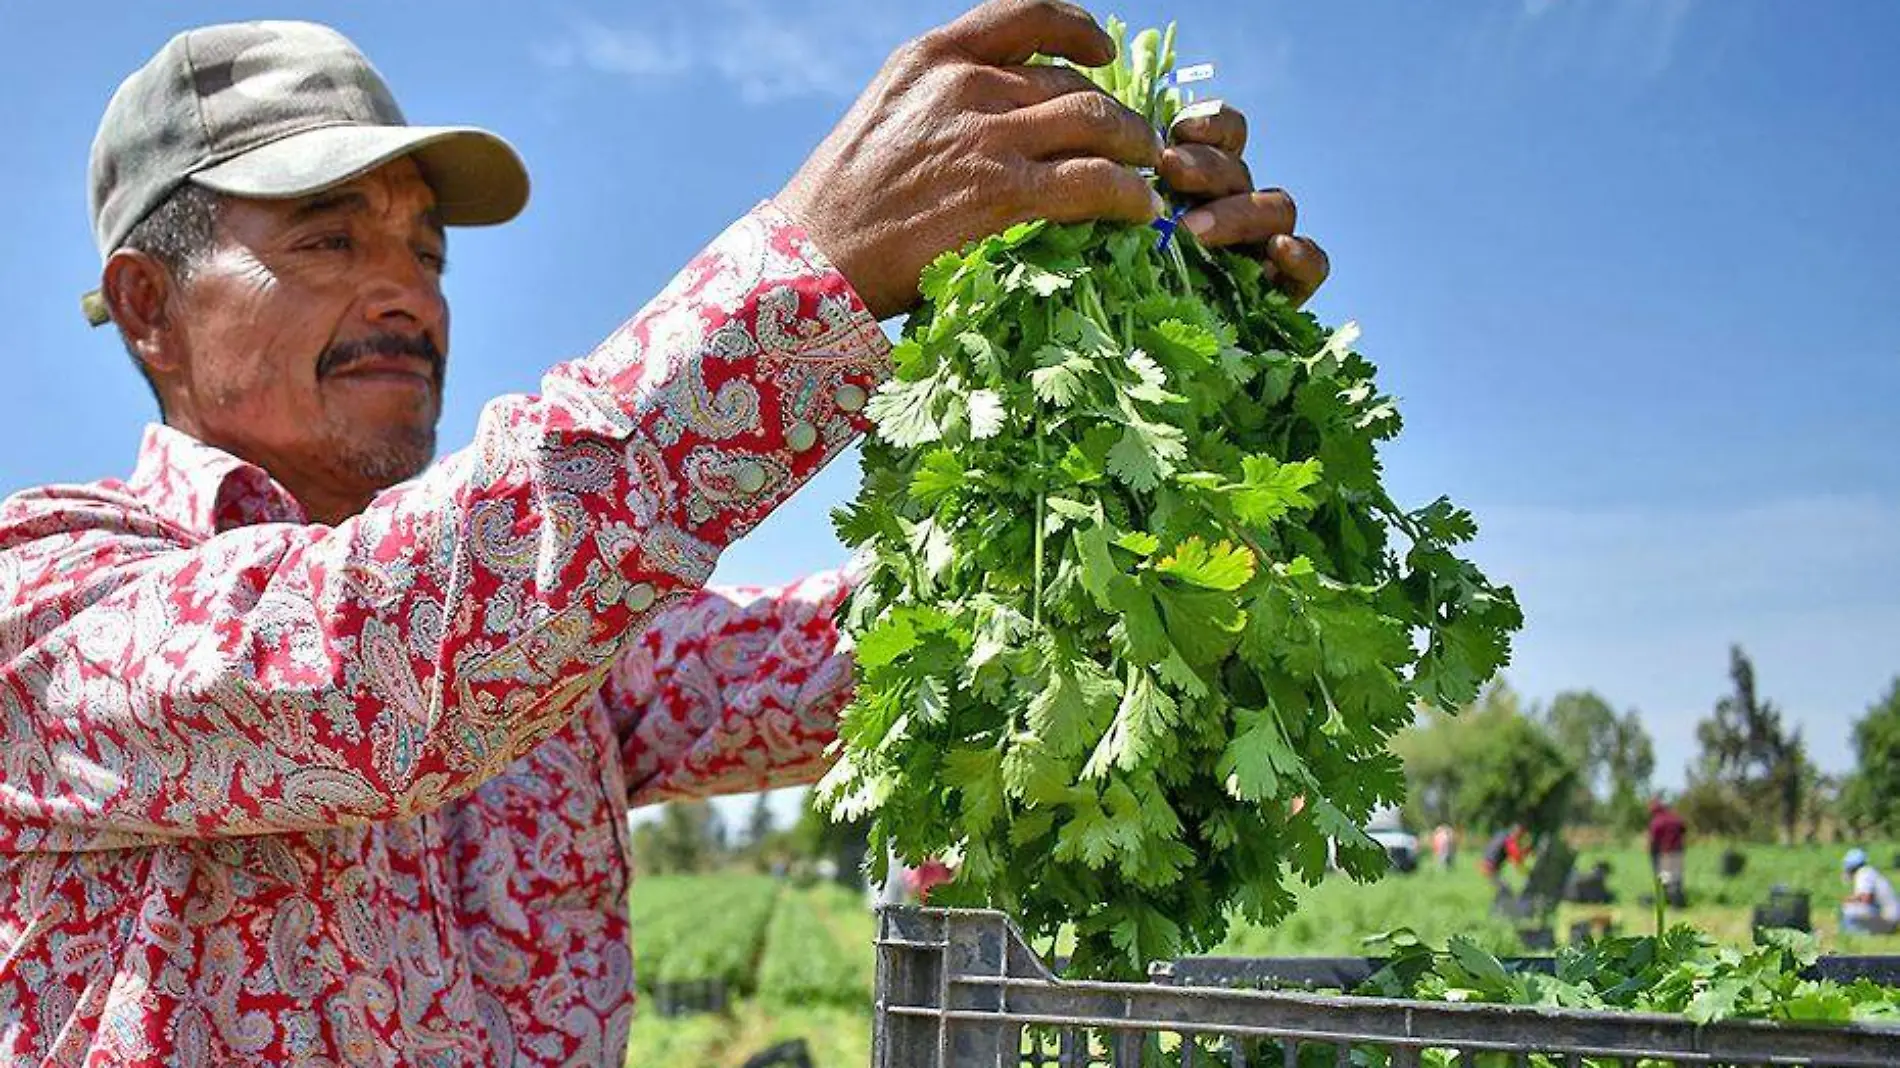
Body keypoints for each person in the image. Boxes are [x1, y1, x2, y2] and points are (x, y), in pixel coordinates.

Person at [0, 6, 1330, 1063]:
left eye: (424, 248)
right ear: (149, 307)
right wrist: (812, 275)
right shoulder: (50, 604)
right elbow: (367, 670)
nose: (404, 289)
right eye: (332, 239)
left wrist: (1182, 378)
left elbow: (906, 658)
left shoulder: (564, 654)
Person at [1840, 848, 1900, 936]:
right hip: (1893, 918)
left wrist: (1848, 899)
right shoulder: (1869, 872)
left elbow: (1866, 898)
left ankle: (1858, 933)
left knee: (1849, 908)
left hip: (1888, 919)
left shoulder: (1863, 874)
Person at [1647, 796, 1688, 904]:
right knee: (1677, 876)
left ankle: (1668, 901)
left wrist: (1652, 853)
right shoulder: (1675, 818)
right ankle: (1679, 901)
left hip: (1665, 852)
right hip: (1678, 851)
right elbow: (1683, 829)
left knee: (1665, 877)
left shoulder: (1656, 822)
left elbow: (1653, 840)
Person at [1480, 824, 1528, 896]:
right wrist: (1527, 850)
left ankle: (1500, 905)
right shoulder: (1509, 841)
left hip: (1484, 864)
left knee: (1503, 890)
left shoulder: (1501, 834)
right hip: (1490, 868)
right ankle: (1501, 906)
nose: (1520, 838)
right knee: (1506, 891)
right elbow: (1517, 857)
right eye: (1521, 835)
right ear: (1517, 833)